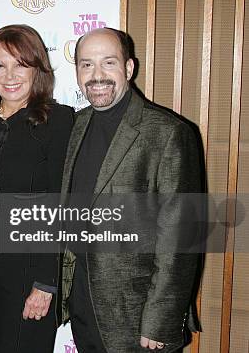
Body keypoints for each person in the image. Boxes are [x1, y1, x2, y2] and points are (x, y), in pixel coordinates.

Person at [60, 27, 202, 352]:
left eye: (108, 63)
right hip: (83, 302)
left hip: (138, 316)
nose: (97, 75)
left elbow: (181, 240)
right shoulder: (74, 126)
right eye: (86, 64)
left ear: (128, 68)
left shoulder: (168, 134)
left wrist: (161, 320)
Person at [0, 24, 74, 353]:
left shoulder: (58, 120)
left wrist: (46, 282)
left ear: (37, 69)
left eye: (20, 64)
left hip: (30, 266)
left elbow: (58, 205)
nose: (10, 75)